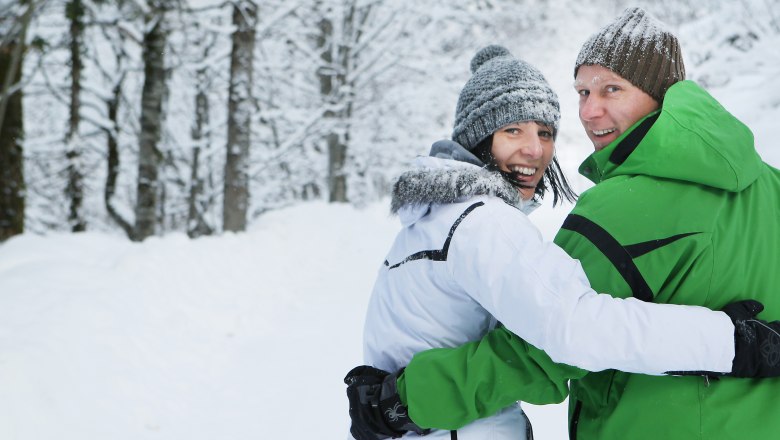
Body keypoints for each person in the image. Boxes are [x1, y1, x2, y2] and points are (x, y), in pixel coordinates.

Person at [344, 34, 780, 440]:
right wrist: (733, 341)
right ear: (479, 136)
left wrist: (401, 399)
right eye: (513, 129)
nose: (535, 149)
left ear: (658, 93)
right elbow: (575, 329)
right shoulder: (480, 222)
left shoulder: (434, 219)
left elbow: (556, 344)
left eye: (545, 132)